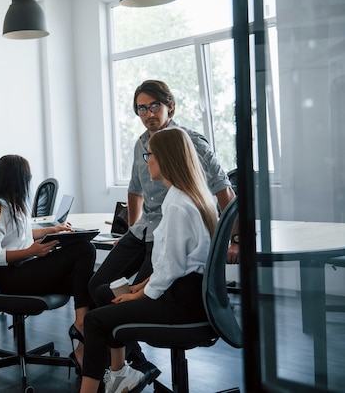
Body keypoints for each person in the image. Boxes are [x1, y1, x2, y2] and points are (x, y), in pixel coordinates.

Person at [87, 79, 236, 380]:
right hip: (144, 228)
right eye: (141, 108)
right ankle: (132, 360)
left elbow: (224, 192)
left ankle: (124, 360)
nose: (148, 113)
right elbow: (134, 191)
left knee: (125, 298)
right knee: (99, 286)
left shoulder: (188, 142)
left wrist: (234, 239)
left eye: (154, 106)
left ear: (169, 105)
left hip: (168, 236)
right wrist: (126, 234)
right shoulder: (141, 143)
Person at [79, 127, 219, 393]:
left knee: (94, 320)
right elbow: (174, 265)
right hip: (192, 294)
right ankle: (121, 375)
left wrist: (141, 295)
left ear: (165, 158)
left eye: (150, 155)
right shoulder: (192, 196)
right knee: (103, 292)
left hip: (180, 303)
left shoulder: (178, 205)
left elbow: (173, 267)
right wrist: (141, 286)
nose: (148, 161)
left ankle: (102, 384)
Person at [0, 155, 96, 375]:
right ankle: (80, 325)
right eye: (27, 177)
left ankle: (82, 348)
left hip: (25, 270)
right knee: (84, 249)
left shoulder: (14, 204)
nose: (30, 181)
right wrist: (32, 251)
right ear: (16, 179)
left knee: (93, 285)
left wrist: (53, 230)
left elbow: (21, 236)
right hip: (11, 279)